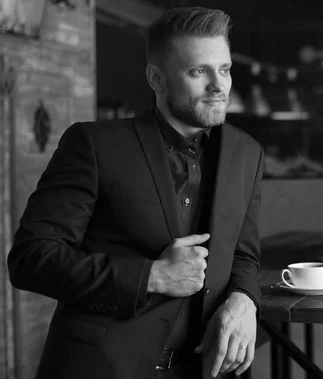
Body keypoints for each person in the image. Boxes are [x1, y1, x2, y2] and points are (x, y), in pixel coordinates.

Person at [7, 6, 263, 379]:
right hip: (101, 368)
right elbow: (31, 259)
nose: (219, 85)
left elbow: (244, 255)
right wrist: (151, 276)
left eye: (223, 69)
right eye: (198, 71)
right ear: (156, 79)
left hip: (202, 369)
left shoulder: (247, 153)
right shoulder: (96, 145)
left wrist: (245, 300)